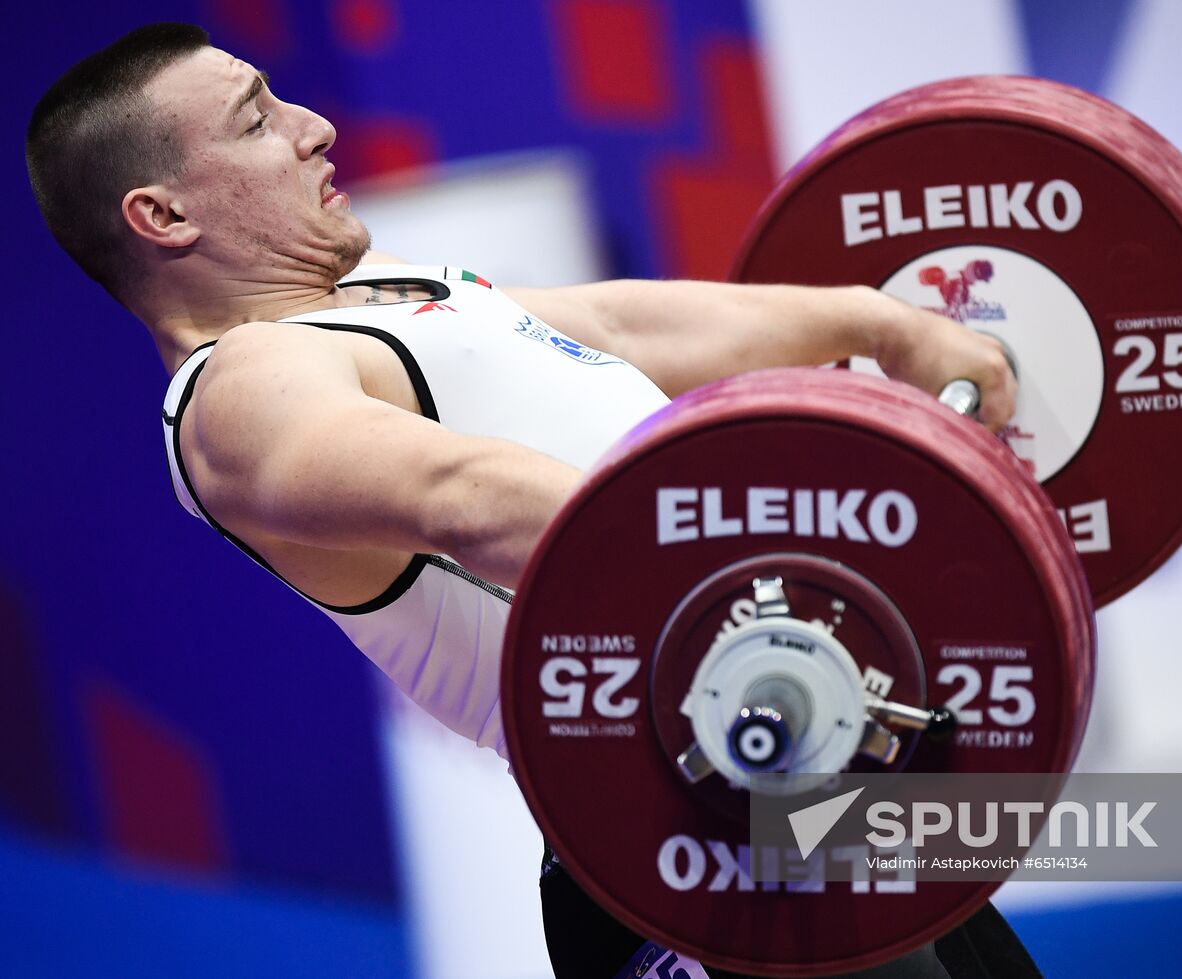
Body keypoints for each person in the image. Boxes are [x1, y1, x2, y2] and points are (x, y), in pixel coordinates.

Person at [27, 22, 1032, 979]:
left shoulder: (379, 292)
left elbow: (615, 322)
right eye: (256, 119)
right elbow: (459, 494)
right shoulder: (236, 393)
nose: (312, 126)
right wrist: (780, 548)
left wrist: (875, 324)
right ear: (163, 215)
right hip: (693, 847)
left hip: (801, 772)